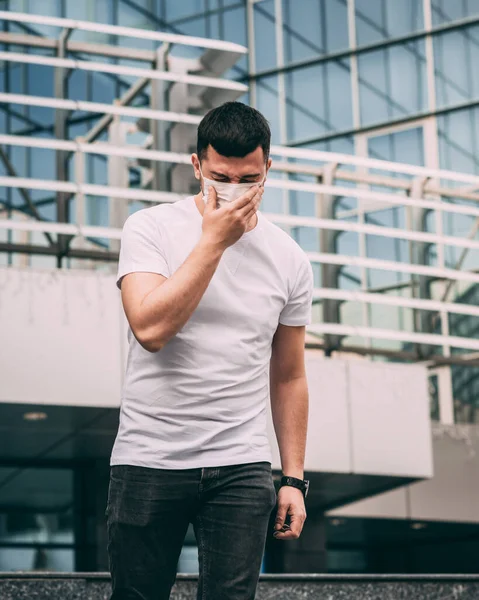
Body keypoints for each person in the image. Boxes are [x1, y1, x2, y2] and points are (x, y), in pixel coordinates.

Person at [106, 101, 313, 600]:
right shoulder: (150, 228)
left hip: (240, 464)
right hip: (149, 457)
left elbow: (288, 375)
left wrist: (294, 479)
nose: (235, 191)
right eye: (221, 176)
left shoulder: (290, 258)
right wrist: (213, 242)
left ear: (268, 170)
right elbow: (150, 328)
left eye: (249, 179)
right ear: (197, 166)